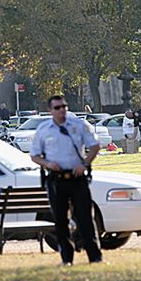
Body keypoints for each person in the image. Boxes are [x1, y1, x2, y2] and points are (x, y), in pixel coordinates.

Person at [30, 95, 103, 266]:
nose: (62, 110)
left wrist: (85, 164)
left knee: (85, 218)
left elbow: (95, 145)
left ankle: (95, 257)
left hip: (77, 178)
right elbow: (34, 155)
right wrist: (48, 164)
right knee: (61, 221)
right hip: (57, 180)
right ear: (50, 111)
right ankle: (66, 259)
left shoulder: (78, 125)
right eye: (57, 108)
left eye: (64, 106)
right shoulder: (44, 129)